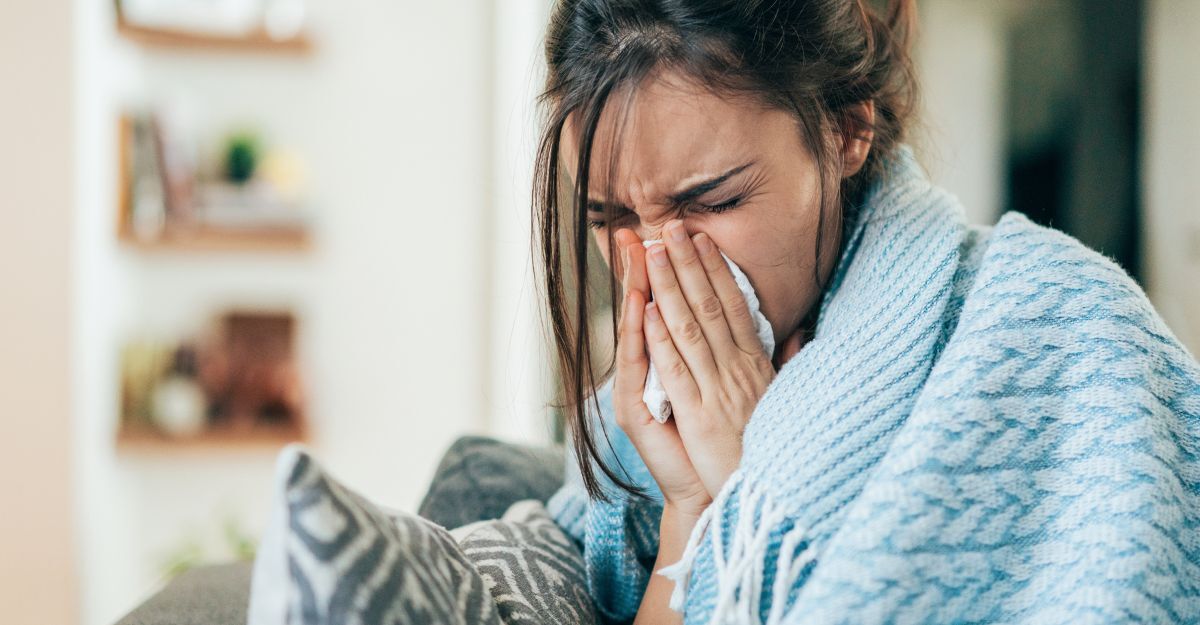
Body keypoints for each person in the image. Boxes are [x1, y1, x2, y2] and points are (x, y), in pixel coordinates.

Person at [532, 1, 1200, 624]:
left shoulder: (1062, 329)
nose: (659, 261)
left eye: (713, 201)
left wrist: (757, 480)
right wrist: (694, 507)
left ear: (848, 126)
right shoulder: (631, 436)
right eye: (612, 218)